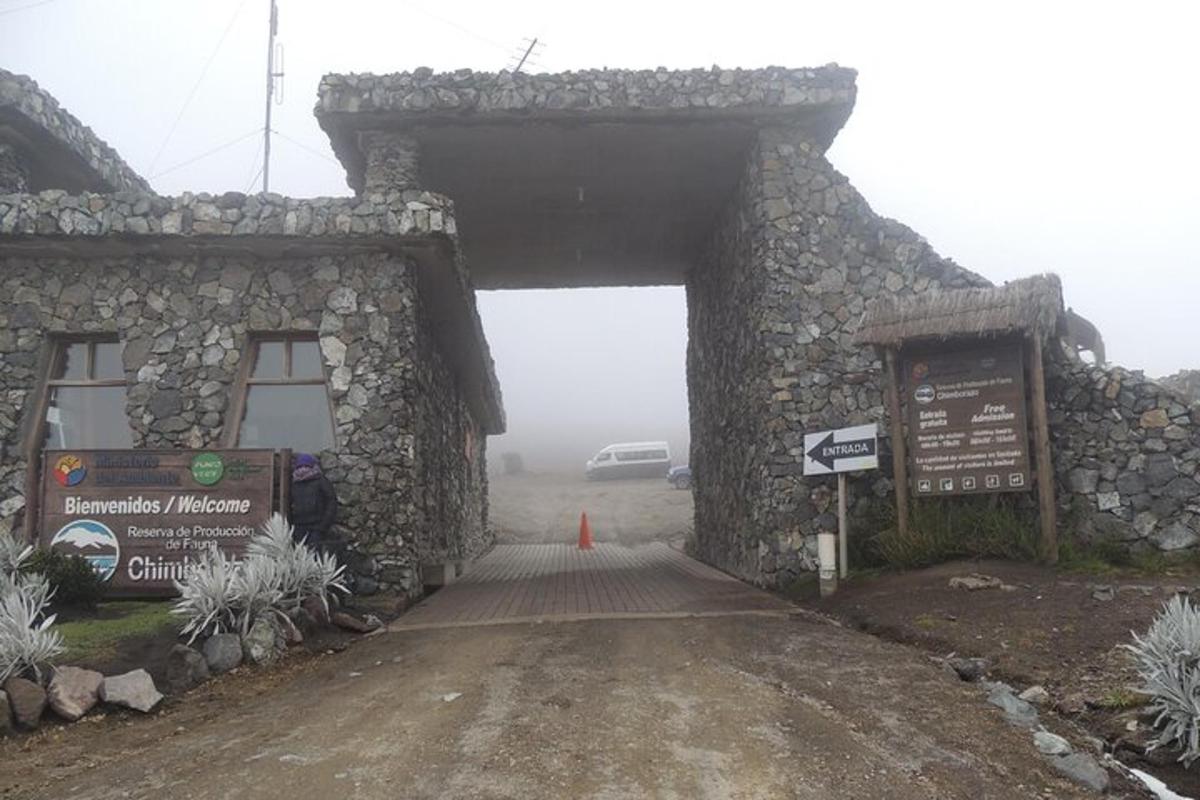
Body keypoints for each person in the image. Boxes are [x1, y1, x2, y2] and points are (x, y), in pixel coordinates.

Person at [289, 453, 339, 558]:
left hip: (316, 526)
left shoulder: (321, 481)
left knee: (315, 556)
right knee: (299, 557)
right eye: (300, 466)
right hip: (299, 526)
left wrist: (322, 526)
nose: (303, 469)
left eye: (306, 466)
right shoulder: (295, 483)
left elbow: (331, 502)